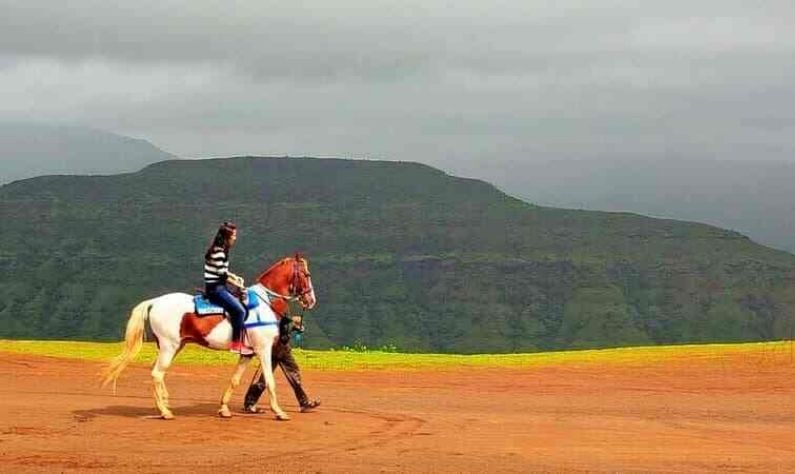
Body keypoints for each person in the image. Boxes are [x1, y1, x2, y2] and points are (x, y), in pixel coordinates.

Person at [243, 314, 321, 413]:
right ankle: (249, 404)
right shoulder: (267, 310)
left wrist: (295, 326)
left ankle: (304, 403)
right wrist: (291, 322)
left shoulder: (285, 311)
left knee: (294, 376)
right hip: (270, 350)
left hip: (284, 349)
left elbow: (287, 325)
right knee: (262, 378)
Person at [204, 221, 248, 353]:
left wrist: (234, 276)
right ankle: (236, 344)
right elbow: (222, 274)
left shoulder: (220, 250)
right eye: (233, 235)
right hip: (216, 289)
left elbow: (223, 271)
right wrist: (237, 284)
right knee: (240, 311)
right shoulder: (219, 252)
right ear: (227, 237)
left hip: (219, 287)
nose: (235, 238)